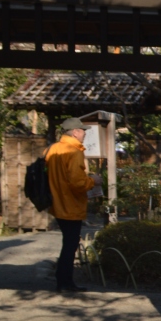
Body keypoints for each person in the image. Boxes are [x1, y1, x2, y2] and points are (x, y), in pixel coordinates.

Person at [46, 118, 101, 292]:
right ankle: (65, 282)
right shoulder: (74, 151)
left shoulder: (53, 149)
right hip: (71, 204)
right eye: (83, 130)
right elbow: (77, 183)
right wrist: (93, 181)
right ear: (76, 132)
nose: (85, 133)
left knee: (68, 243)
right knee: (70, 245)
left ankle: (64, 281)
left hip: (57, 202)